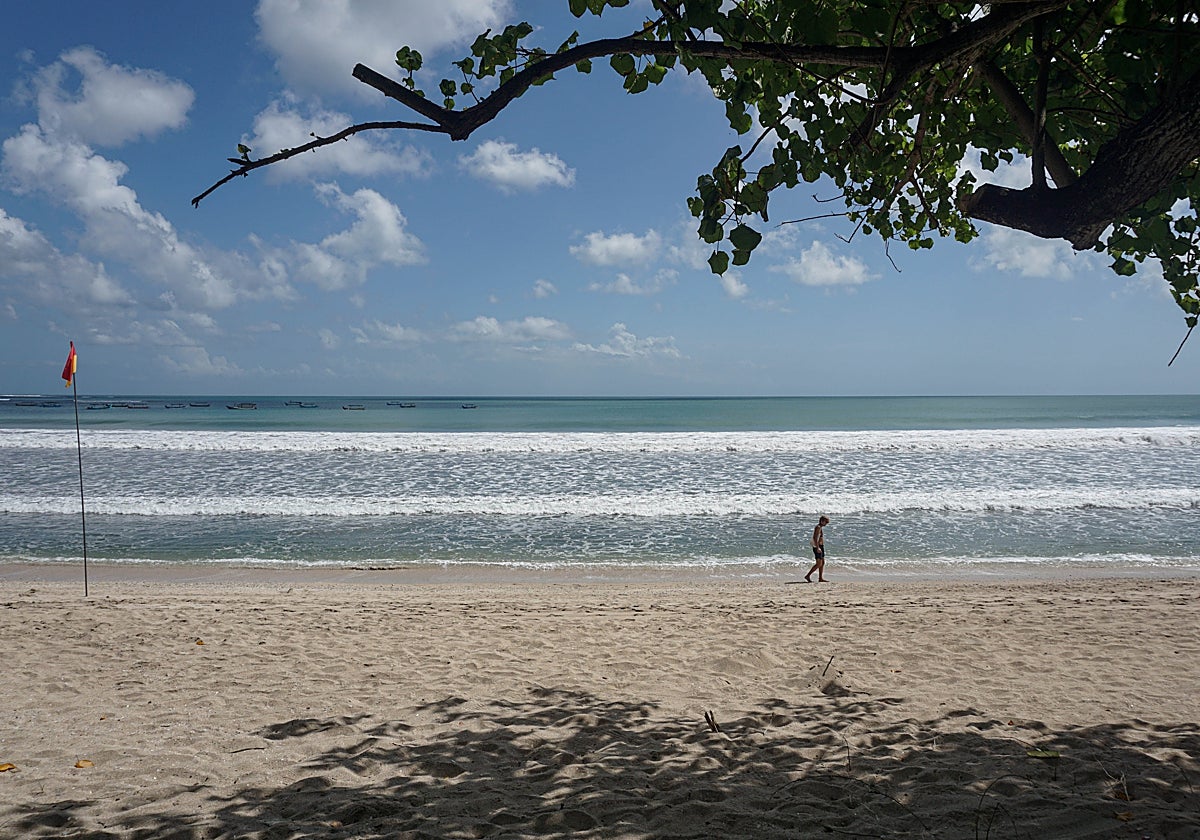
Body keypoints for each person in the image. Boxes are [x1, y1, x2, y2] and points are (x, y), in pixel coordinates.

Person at [805, 515, 830, 582]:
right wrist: (817, 547)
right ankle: (808, 576)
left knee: (822, 562)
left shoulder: (820, 527)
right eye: (826, 522)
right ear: (822, 521)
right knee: (819, 564)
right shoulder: (818, 527)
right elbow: (815, 538)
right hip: (817, 546)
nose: (826, 524)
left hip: (821, 546)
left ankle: (820, 578)